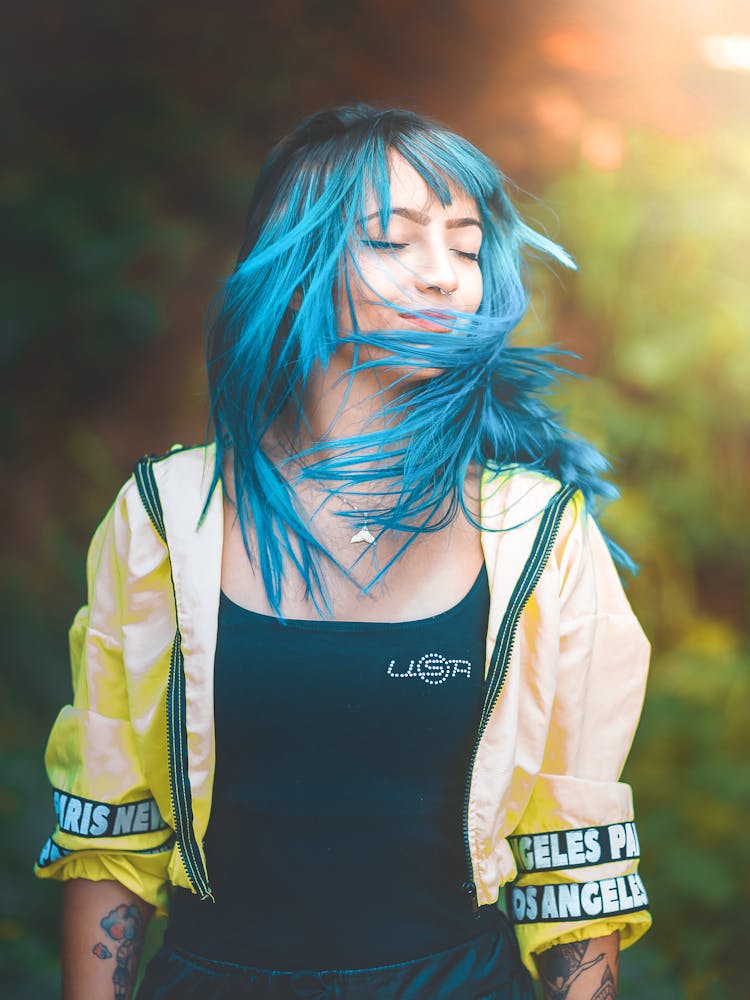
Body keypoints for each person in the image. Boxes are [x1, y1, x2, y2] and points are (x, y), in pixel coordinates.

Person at [35, 105, 651, 999]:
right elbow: (109, 835)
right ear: (298, 270)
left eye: (467, 245)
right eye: (393, 240)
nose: (445, 277)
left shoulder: (540, 536)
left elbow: (574, 871)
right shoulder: (166, 517)